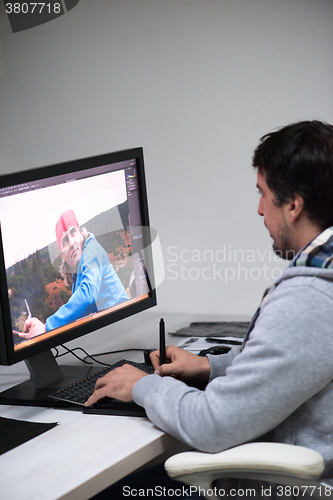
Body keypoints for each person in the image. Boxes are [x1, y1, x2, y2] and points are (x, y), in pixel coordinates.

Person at [86, 121, 333, 496]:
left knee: (102, 491)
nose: (259, 210)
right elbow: (295, 359)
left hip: (282, 489)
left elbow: (212, 425)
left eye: (264, 195)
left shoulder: (310, 300)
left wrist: (143, 386)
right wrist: (208, 366)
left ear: (294, 206)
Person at [24, 209, 129, 338]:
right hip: (113, 331)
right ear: (62, 253)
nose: (72, 243)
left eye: (73, 233)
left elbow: (88, 295)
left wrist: (47, 327)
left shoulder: (92, 250)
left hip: (126, 323)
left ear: (80, 234)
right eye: (65, 241)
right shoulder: (77, 277)